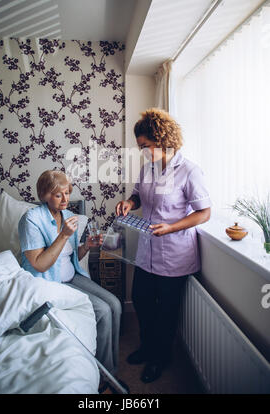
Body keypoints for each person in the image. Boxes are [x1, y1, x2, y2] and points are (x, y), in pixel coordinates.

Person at [116, 108, 212, 383]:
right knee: (143, 302)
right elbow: (137, 195)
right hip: (147, 251)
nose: (143, 152)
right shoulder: (148, 168)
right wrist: (128, 203)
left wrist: (171, 227)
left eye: (145, 146)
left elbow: (204, 213)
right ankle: (147, 348)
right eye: (140, 148)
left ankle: (160, 358)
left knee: (165, 312)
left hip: (175, 254)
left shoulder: (190, 171)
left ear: (161, 139)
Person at [18, 169, 122, 384]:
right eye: (59, 194)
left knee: (115, 304)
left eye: (67, 193)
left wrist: (87, 246)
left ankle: (111, 369)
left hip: (72, 275)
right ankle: (104, 376)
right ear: (45, 194)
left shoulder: (67, 216)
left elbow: (72, 255)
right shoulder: (31, 219)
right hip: (48, 280)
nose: (66, 199)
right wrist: (64, 235)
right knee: (102, 311)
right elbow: (39, 264)